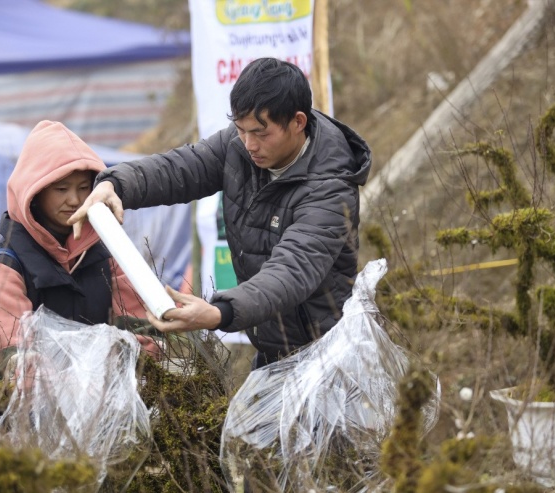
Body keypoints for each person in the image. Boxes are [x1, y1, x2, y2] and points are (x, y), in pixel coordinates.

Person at [69, 57, 372, 369]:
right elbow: (183, 168)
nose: (249, 144)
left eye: (261, 133)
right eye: (241, 130)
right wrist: (116, 184)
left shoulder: (330, 191)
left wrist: (219, 313)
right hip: (271, 349)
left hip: (328, 354)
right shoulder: (239, 146)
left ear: (297, 122)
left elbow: (291, 271)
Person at [0, 120, 160, 380]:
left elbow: (143, 330)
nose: (75, 200)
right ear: (34, 193)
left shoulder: (106, 255)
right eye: (61, 189)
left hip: (104, 402)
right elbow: (4, 351)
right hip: (32, 412)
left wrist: (126, 360)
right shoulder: (7, 265)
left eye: (84, 188)